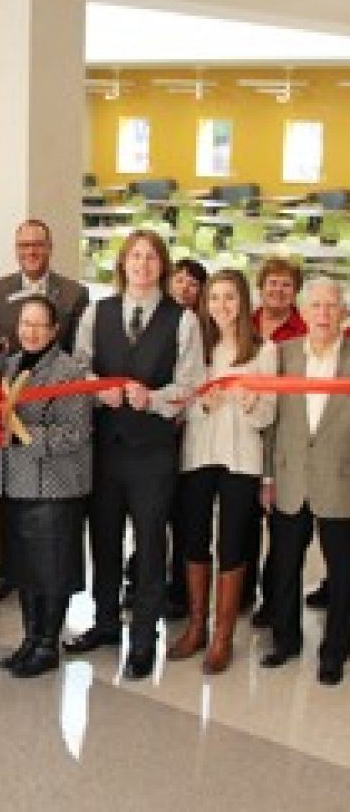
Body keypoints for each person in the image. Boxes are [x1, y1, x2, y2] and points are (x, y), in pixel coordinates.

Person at [65, 229, 204, 680]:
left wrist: (157, 399)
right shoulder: (96, 313)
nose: (142, 265)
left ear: (161, 267)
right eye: (135, 257)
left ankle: (144, 638)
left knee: (148, 546)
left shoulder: (181, 320)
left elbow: (191, 385)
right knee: (103, 539)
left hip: (152, 452)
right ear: (122, 264)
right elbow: (77, 367)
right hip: (104, 448)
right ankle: (105, 623)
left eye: (151, 258)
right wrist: (96, 388)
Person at [169, 269, 276, 674]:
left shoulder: (263, 351)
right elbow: (183, 402)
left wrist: (250, 404)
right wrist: (203, 406)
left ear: (243, 302)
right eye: (214, 298)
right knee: (194, 540)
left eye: (230, 297)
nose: (222, 306)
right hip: (199, 454)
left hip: (241, 459)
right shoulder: (198, 348)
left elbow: (269, 415)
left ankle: (222, 637)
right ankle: (196, 627)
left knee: (233, 543)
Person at [0, 219, 89, 605]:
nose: (30, 251)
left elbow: (73, 426)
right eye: (23, 244)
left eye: (38, 244)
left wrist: (22, 433)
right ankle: (7, 572)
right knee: (20, 538)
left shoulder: (75, 294)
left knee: (51, 553)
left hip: (52, 442)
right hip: (13, 462)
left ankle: (44, 636)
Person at [0, 296, 92, 677]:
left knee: (51, 570)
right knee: (23, 569)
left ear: (54, 330)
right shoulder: (9, 365)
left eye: (39, 325)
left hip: (55, 486)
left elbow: (75, 434)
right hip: (13, 482)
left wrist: (22, 436)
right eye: (24, 324)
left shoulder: (70, 371)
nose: (30, 332)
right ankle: (30, 639)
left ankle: (48, 643)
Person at [260, 278, 350, 686]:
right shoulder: (282, 355)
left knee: (343, 574)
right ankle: (285, 641)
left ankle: (334, 652)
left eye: (332, 306)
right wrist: (267, 476)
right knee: (284, 566)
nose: (324, 314)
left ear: (344, 314)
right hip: (290, 478)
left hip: (341, 481)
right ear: (305, 311)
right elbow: (271, 423)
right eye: (317, 306)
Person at [124, 256, 208, 619]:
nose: (185, 287)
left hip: (187, 437)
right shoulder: (146, 318)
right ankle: (139, 581)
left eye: (193, 282)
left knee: (176, 518)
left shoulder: (196, 325)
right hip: (148, 435)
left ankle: (174, 590)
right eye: (180, 280)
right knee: (147, 518)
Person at [247, 258, 310, 625]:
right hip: (243, 437)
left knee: (284, 532)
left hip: (284, 442)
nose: (278, 290)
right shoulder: (245, 324)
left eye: (286, 285)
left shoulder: (303, 333)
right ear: (261, 286)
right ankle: (241, 594)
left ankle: (273, 601)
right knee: (242, 524)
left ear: (295, 291)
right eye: (272, 283)